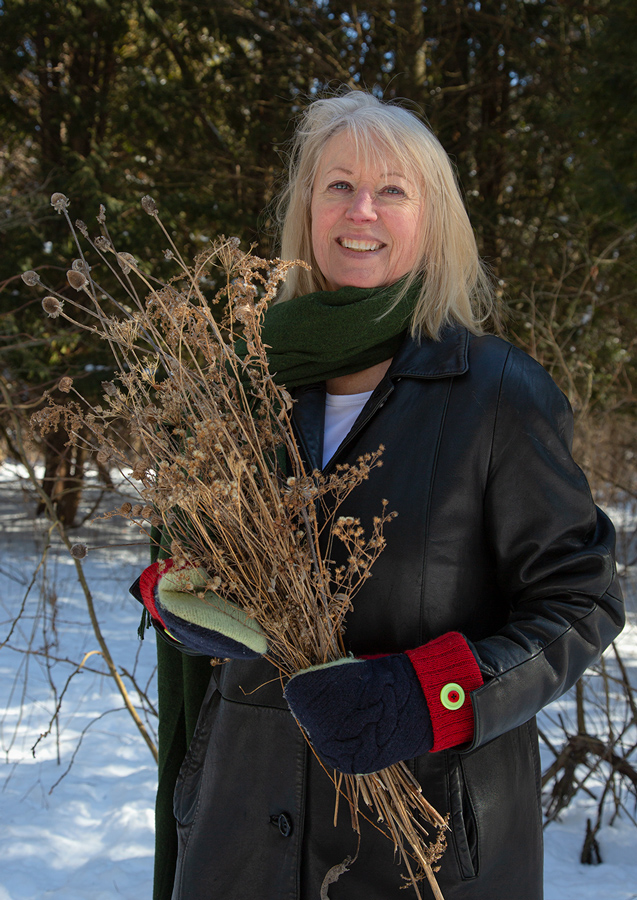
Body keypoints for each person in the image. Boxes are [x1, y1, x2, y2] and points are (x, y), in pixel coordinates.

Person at [132, 91, 625, 900]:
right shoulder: (244, 386)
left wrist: (430, 696)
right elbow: (183, 557)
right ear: (306, 209)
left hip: (423, 849)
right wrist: (176, 599)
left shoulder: (497, 392)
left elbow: (581, 601)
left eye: (392, 190)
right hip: (235, 835)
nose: (361, 209)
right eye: (337, 185)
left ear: (433, 220)